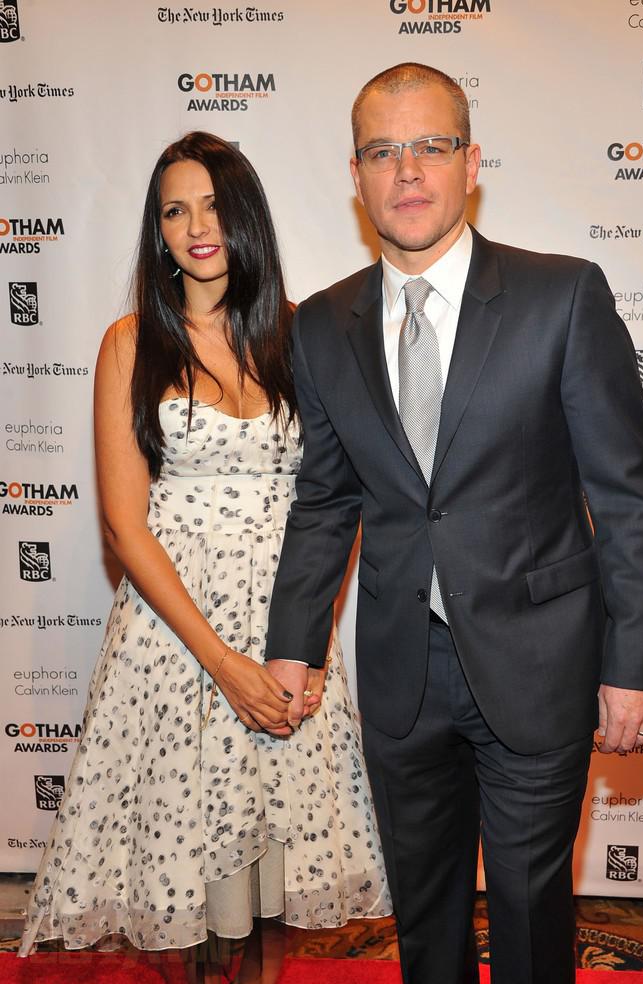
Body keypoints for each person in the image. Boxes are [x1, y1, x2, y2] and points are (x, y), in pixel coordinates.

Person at [264, 64, 643, 984]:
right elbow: (325, 499)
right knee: (424, 917)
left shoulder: (560, 296)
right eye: (382, 152)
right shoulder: (321, 325)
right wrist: (294, 643)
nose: (407, 171)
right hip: (402, 674)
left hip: (539, 663)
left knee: (529, 913)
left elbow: (626, 495)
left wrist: (635, 662)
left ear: (471, 162)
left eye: (430, 146)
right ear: (356, 175)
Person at [19, 132, 391, 969]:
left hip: (286, 634)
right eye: (173, 211)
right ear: (157, 231)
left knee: (272, 881)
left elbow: (335, 501)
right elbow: (125, 528)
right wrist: (222, 664)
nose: (195, 227)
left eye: (213, 205)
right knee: (190, 879)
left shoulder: (301, 335)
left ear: (244, 216)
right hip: (175, 641)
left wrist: (304, 646)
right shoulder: (131, 343)